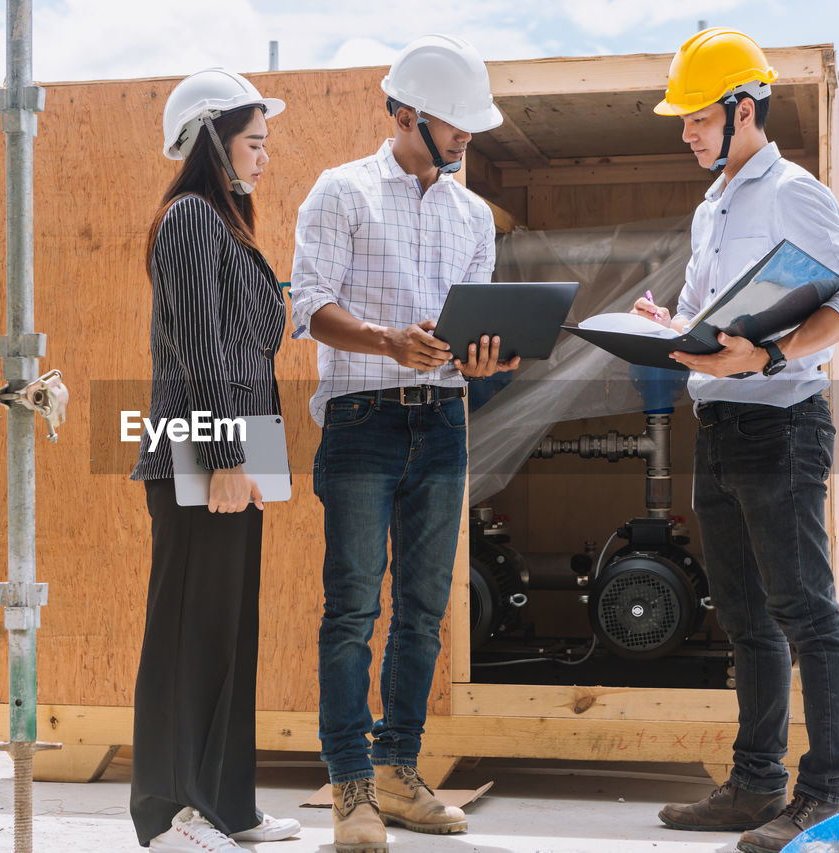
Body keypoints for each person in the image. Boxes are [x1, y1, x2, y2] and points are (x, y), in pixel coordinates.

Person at [631, 28, 839, 853]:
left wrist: (767, 351)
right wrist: (665, 326)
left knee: (806, 611)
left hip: (782, 423)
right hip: (722, 425)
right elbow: (706, 311)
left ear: (742, 109)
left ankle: (826, 794)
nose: (686, 133)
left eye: (696, 117)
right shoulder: (713, 204)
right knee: (742, 614)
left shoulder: (793, 191)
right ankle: (757, 782)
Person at [289, 33, 517, 853]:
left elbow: (478, 323)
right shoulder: (340, 192)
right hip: (361, 420)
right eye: (453, 124)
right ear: (405, 115)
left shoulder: (473, 215)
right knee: (353, 608)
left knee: (423, 612)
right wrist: (388, 342)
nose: (465, 138)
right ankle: (351, 785)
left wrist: (492, 355)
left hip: (444, 420)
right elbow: (309, 305)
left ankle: (398, 771)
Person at [128, 67, 301, 852]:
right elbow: (197, 346)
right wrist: (228, 453)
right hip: (201, 449)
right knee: (187, 632)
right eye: (254, 141)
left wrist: (253, 460)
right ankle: (165, 812)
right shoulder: (193, 219)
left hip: (234, 448)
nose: (265, 157)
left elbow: (244, 344)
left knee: (229, 632)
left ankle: (229, 806)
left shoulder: (226, 224)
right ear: (212, 140)